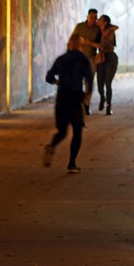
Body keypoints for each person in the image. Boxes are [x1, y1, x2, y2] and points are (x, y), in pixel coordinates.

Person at [43, 36, 94, 174]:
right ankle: (71, 163)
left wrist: (57, 82)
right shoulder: (83, 59)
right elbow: (89, 79)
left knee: (62, 131)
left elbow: (49, 77)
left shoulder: (61, 59)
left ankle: (52, 145)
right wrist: (87, 93)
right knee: (77, 131)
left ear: (69, 45)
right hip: (74, 98)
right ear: (81, 46)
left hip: (61, 99)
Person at [68, 8, 100, 114]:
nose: (93, 20)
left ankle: (87, 105)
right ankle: (77, 104)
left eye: (95, 18)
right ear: (87, 17)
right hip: (78, 58)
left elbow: (101, 45)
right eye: (91, 17)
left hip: (91, 58)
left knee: (89, 82)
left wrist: (90, 43)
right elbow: (72, 40)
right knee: (77, 81)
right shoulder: (79, 27)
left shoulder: (98, 29)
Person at [95, 14, 119, 115]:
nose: (97, 20)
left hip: (110, 58)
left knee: (108, 82)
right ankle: (102, 97)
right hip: (101, 58)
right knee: (100, 84)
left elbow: (102, 45)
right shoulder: (97, 31)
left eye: (100, 19)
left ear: (105, 22)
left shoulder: (110, 32)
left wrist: (89, 43)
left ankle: (109, 105)